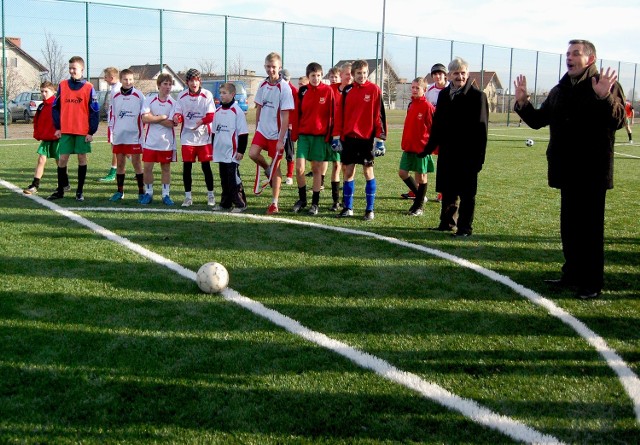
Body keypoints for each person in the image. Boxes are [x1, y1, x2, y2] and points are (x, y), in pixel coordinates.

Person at [514, 39, 625, 299]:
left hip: (592, 172)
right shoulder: (560, 89)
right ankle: (572, 273)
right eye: (567, 53)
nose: (569, 57)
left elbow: (618, 120)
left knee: (590, 230)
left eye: (576, 53)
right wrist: (522, 103)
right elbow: (539, 120)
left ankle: (592, 283)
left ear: (591, 59)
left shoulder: (603, 85)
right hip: (566, 170)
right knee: (570, 227)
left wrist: (605, 97)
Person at [418, 57, 488, 237]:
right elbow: (438, 126)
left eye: (463, 73)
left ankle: (464, 228)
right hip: (448, 153)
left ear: (468, 74)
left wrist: (478, 159)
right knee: (448, 190)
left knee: (467, 194)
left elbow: (482, 131)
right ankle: (447, 223)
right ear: (449, 75)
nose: (460, 76)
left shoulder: (477, 96)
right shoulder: (444, 95)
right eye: (456, 73)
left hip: (468, 155)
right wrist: (428, 148)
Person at [332, 59, 387, 221]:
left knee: (368, 171)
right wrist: (336, 137)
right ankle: (348, 207)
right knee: (348, 172)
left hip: (367, 140)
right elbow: (339, 115)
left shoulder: (374, 90)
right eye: (358, 73)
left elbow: (379, 117)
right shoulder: (347, 91)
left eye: (364, 73)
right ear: (353, 74)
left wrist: (380, 139)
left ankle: (369, 209)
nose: (362, 76)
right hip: (349, 139)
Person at [47, 56, 100, 201]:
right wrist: (58, 127)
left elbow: (94, 111)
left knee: (82, 158)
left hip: (82, 131)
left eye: (74, 68)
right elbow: (55, 107)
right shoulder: (62, 85)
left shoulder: (89, 87)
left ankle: (79, 191)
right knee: (62, 159)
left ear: (81, 69)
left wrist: (91, 131)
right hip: (66, 130)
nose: (71, 71)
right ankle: (60, 190)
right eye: (70, 68)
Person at [248, 52, 295, 214]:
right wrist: (256, 129)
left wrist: (282, 138)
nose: (271, 70)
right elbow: (259, 107)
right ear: (265, 67)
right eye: (268, 66)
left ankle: (274, 202)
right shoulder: (262, 85)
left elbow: (286, 115)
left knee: (277, 168)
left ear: (279, 68)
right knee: (253, 154)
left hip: (277, 134)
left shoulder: (285, 88)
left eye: (273, 67)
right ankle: (267, 168)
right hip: (262, 130)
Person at [293, 62, 335, 215]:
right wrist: (295, 133)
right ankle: (302, 199)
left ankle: (315, 203)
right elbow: (297, 113)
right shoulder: (303, 91)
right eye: (313, 76)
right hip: (304, 136)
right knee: (299, 169)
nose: (316, 78)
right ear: (308, 76)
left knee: (317, 169)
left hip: (320, 137)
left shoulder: (328, 91)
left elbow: (333, 114)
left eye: (318, 75)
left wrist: (331, 136)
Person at [402, 63, 449, 202]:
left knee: (445, 164)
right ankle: (415, 190)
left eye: (440, 73)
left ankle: (444, 192)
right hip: (432, 129)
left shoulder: (452, 88)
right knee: (420, 166)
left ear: (445, 75)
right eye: (434, 74)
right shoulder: (429, 90)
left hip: (448, 130)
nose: (437, 76)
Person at [173, 68, 216, 207]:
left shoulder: (207, 95)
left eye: (196, 80)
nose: (194, 83)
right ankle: (188, 197)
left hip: (204, 137)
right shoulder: (181, 96)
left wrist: (201, 122)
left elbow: (211, 115)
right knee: (187, 167)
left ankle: (211, 195)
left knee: (206, 166)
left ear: (200, 81)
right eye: (191, 80)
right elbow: (178, 113)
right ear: (187, 82)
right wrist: (176, 118)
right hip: (187, 136)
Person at [23, 81, 68, 195]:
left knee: (60, 162)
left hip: (57, 138)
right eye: (42, 91)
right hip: (46, 139)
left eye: (46, 91)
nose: (43, 94)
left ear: (53, 92)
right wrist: (37, 133)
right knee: (41, 160)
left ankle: (64, 183)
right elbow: (37, 121)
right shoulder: (41, 106)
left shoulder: (58, 104)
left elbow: (65, 119)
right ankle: (35, 185)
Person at [399, 77, 435, 216]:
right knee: (402, 173)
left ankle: (419, 206)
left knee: (421, 178)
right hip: (408, 147)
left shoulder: (428, 107)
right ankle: (420, 197)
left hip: (422, 149)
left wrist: (430, 148)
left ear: (424, 90)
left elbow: (433, 129)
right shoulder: (411, 105)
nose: (414, 90)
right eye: (412, 87)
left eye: (417, 88)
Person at [139, 73, 177, 206]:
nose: (168, 87)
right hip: (150, 142)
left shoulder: (174, 103)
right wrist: (162, 116)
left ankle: (166, 195)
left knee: (166, 168)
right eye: (165, 84)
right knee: (148, 168)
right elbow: (144, 118)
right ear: (159, 85)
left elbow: (171, 123)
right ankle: (148, 193)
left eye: (170, 84)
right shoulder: (149, 100)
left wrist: (153, 117)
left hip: (166, 143)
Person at [108, 68, 145, 203]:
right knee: (121, 164)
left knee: (136, 163)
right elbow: (112, 115)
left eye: (130, 79)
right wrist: (112, 132)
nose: (128, 82)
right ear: (121, 80)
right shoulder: (116, 96)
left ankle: (141, 192)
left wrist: (142, 130)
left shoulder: (139, 95)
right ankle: (120, 191)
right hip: (119, 135)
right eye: (125, 79)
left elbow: (144, 114)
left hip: (134, 135)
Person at [211, 82, 249, 212]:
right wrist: (213, 148)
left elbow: (243, 133)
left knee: (233, 178)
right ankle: (225, 203)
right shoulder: (217, 111)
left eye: (224, 93)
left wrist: (241, 151)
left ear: (232, 94)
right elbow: (214, 132)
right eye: (220, 93)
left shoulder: (237, 111)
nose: (221, 95)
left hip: (232, 153)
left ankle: (240, 203)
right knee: (224, 179)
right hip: (221, 152)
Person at [326, 62, 353, 211]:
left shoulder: (355, 90)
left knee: (346, 168)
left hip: (349, 135)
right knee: (336, 166)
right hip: (335, 134)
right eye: (346, 74)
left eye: (351, 74)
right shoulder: (332, 90)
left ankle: (345, 200)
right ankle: (336, 200)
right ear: (341, 75)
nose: (349, 76)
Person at [97, 66, 121, 182]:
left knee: (116, 148)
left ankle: (113, 173)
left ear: (111, 77)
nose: (104, 79)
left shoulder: (117, 90)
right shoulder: (115, 89)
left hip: (115, 124)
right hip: (114, 123)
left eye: (106, 77)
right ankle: (139, 170)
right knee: (123, 150)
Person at [280, 68, 298, 186]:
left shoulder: (293, 91)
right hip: (278, 125)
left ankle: (289, 175)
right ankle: (273, 174)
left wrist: (292, 124)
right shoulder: (277, 89)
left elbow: (295, 109)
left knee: (289, 151)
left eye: (283, 78)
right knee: (275, 151)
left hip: (289, 126)